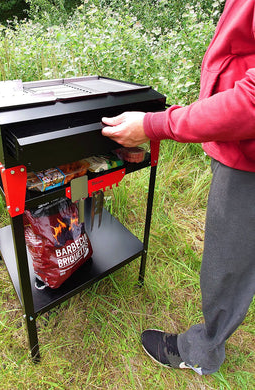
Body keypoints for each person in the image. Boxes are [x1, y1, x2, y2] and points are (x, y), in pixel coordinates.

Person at [101, 0, 255, 375]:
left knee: (227, 260)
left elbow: (250, 103)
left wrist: (154, 125)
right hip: (240, 143)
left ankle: (201, 351)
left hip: (249, 157)